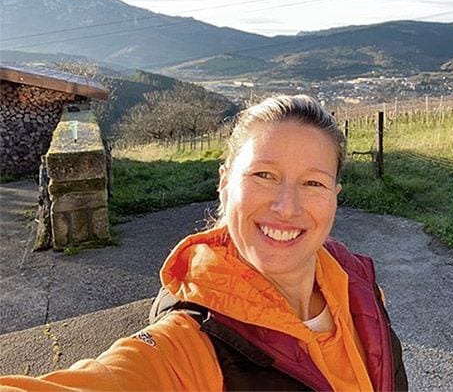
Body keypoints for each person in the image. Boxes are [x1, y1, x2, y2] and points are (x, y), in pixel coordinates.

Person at [0, 94, 408, 391]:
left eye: (313, 182)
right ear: (225, 185)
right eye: (263, 175)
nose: (287, 206)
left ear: (335, 196)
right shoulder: (187, 346)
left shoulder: (362, 292)